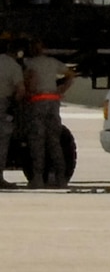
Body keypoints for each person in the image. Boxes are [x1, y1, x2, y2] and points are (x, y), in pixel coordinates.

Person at [19, 40, 74, 189]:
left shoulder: (30, 63)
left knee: (37, 141)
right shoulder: (52, 62)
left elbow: (29, 79)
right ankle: (61, 179)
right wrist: (61, 89)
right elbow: (70, 74)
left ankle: (38, 178)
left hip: (37, 102)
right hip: (53, 102)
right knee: (54, 141)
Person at [0, 48, 22, 187]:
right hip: (3, 104)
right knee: (2, 142)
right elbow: (21, 89)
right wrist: (15, 106)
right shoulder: (12, 65)